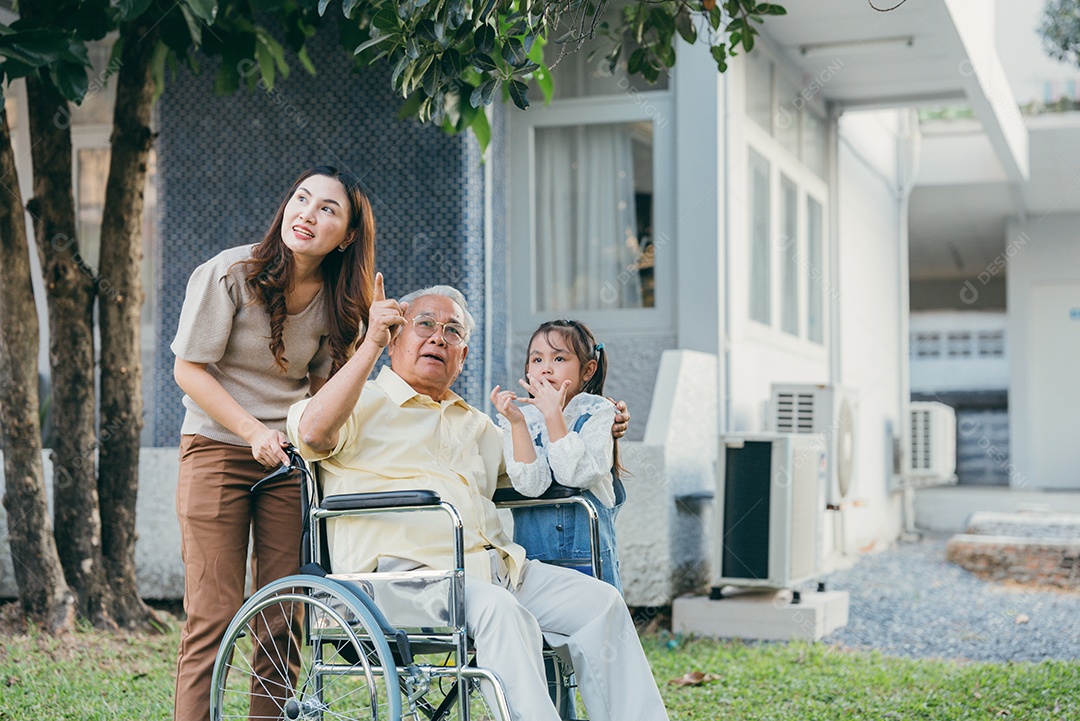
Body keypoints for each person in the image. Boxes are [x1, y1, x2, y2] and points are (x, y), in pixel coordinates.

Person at [287, 281, 668, 721]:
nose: (438, 337)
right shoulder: (357, 400)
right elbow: (313, 433)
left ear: (462, 357)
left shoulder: (478, 423)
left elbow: (540, 476)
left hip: (495, 570)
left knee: (600, 605)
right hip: (402, 581)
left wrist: (595, 421)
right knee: (499, 611)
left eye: (453, 332)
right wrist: (370, 343)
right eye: (424, 324)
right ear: (394, 339)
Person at [170, 166, 376, 721]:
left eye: (328, 208)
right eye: (302, 199)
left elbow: (322, 395)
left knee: (284, 614)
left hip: (286, 463)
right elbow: (189, 370)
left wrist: (373, 341)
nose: (307, 214)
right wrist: (252, 431)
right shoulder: (230, 273)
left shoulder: (339, 300)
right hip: (216, 448)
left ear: (349, 234)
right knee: (212, 615)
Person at [490, 319, 627, 593]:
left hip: (589, 555)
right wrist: (517, 424)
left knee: (595, 622)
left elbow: (576, 474)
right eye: (537, 359)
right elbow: (531, 485)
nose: (546, 368)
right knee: (541, 631)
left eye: (559, 358)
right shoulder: (522, 419)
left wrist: (553, 414)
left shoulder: (597, 413)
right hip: (535, 557)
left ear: (588, 370)